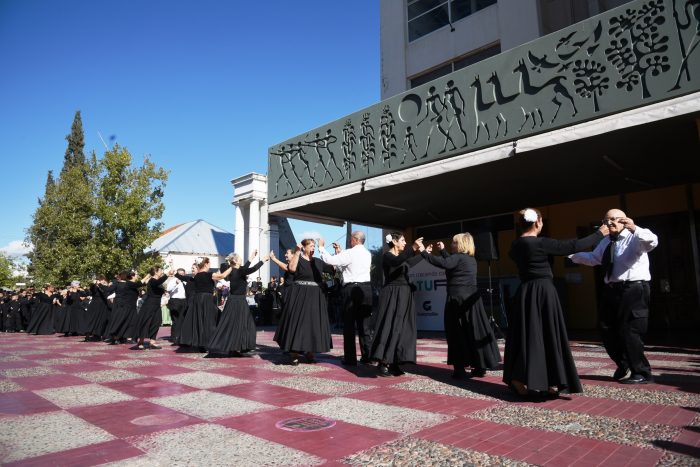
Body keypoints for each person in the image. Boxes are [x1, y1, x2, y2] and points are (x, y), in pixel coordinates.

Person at [504, 208, 606, 398]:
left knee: (529, 336)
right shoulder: (540, 243)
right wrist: (600, 233)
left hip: (526, 292)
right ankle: (547, 379)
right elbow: (573, 246)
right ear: (539, 222)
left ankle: (528, 378)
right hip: (543, 291)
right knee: (548, 334)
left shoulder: (516, 245)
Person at [569, 209, 658, 384]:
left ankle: (641, 372)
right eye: (606, 221)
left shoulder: (635, 237)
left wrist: (635, 228)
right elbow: (594, 258)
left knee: (630, 330)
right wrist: (570, 254)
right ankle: (623, 363)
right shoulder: (606, 242)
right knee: (606, 328)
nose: (610, 224)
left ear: (623, 220)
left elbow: (652, 242)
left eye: (613, 220)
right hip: (612, 289)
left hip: (633, 288)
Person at [418, 233, 501, 378]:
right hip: (472, 301)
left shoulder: (458, 258)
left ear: (461, 244)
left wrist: (423, 252)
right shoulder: (470, 259)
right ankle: (480, 366)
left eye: (454, 243)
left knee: (456, 334)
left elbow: (445, 263)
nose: (452, 245)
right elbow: (451, 263)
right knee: (473, 332)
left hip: (457, 300)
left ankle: (459, 369)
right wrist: (443, 251)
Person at [370, 232, 424, 377]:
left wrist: (425, 253)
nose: (405, 243)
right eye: (402, 240)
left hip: (404, 295)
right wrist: (412, 248)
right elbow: (397, 261)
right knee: (390, 325)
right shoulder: (387, 256)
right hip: (392, 294)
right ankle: (383, 361)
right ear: (394, 242)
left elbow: (409, 262)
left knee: (401, 328)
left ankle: (395, 362)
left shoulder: (402, 258)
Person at [274, 239, 334, 364]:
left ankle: (310, 352)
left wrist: (337, 252)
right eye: (311, 246)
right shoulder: (299, 259)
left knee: (313, 323)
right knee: (298, 322)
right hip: (300, 295)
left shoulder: (318, 261)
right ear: (304, 247)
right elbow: (291, 268)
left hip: (315, 296)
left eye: (314, 246)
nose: (313, 248)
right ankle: (295, 353)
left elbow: (333, 269)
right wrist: (296, 252)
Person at [318, 231, 373, 366]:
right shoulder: (367, 253)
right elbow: (346, 266)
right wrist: (339, 252)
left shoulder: (350, 253)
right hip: (366, 289)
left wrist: (321, 247)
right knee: (364, 325)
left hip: (351, 290)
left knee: (349, 324)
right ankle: (368, 355)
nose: (350, 241)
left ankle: (350, 358)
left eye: (351, 239)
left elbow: (330, 261)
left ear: (355, 239)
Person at [209, 251, 268, 356]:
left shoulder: (233, 270)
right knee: (245, 325)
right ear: (235, 260)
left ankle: (235, 348)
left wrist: (251, 258)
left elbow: (244, 269)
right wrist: (263, 260)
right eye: (240, 258)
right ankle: (239, 347)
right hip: (239, 301)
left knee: (235, 324)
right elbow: (251, 269)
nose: (241, 259)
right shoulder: (239, 271)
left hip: (234, 300)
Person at [178, 257, 233, 351]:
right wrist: (232, 267)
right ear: (206, 264)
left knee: (200, 321)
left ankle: (201, 343)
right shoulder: (208, 275)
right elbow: (222, 276)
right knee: (209, 321)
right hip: (206, 299)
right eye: (209, 263)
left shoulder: (197, 275)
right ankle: (208, 343)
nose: (210, 265)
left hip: (198, 299)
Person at [104, 270, 149, 345]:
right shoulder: (127, 284)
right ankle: (117, 338)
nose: (137, 275)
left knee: (130, 322)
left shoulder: (127, 283)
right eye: (136, 274)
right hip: (126, 306)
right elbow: (140, 283)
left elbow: (141, 283)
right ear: (131, 276)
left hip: (130, 306)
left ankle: (124, 338)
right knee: (123, 321)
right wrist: (149, 275)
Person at [133, 266, 169, 350]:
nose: (162, 272)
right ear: (156, 272)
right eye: (160, 270)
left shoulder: (158, 282)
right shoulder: (152, 280)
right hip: (149, 304)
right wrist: (167, 275)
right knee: (145, 321)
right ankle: (140, 342)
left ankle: (152, 341)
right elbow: (157, 283)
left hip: (156, 304)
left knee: (156, 322)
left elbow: (159, 287)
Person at [84, 276, 111, 341]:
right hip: (94, 304)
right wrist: (93, 284)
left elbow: (105, 293)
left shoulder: (106, 287)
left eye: (102, 280)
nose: (102, 281)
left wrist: (100, 285)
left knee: (101, 321)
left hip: (103, 305)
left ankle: (98, 335)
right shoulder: (95, 286)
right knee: (91, 319)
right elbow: (91, 291)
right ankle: (88, 334)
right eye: (100, 280)